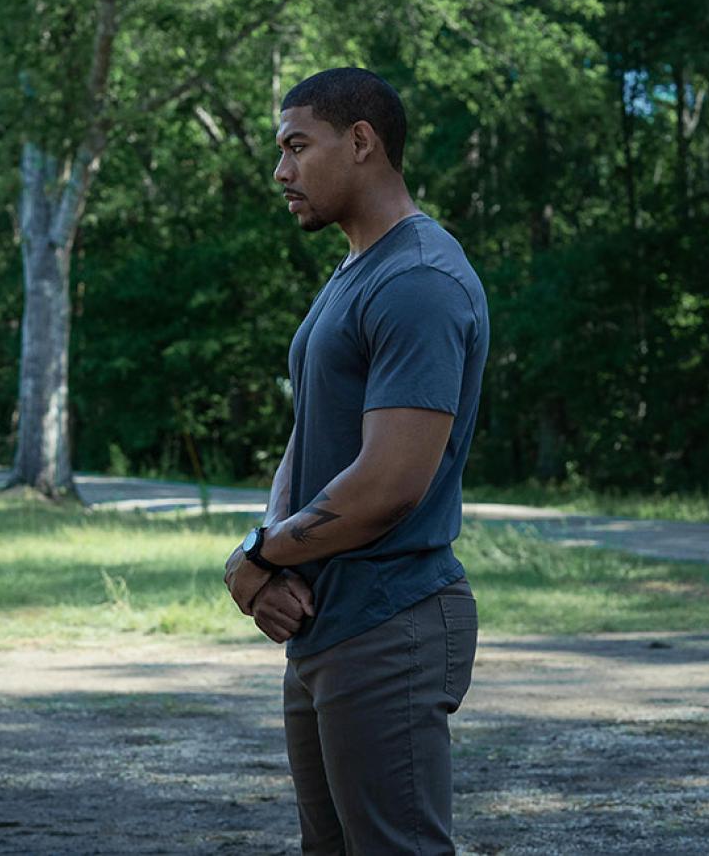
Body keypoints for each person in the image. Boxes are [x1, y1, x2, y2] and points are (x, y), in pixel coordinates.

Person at [224, 68, 489, 855]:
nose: (281, 171)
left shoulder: (417, 280)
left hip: (390, 620)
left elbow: (387, 485)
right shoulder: (356, 271)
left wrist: (257, 556)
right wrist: (269, 559)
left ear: (363, 142)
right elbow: (309, 441)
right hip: (328, 622)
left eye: (297, 147)